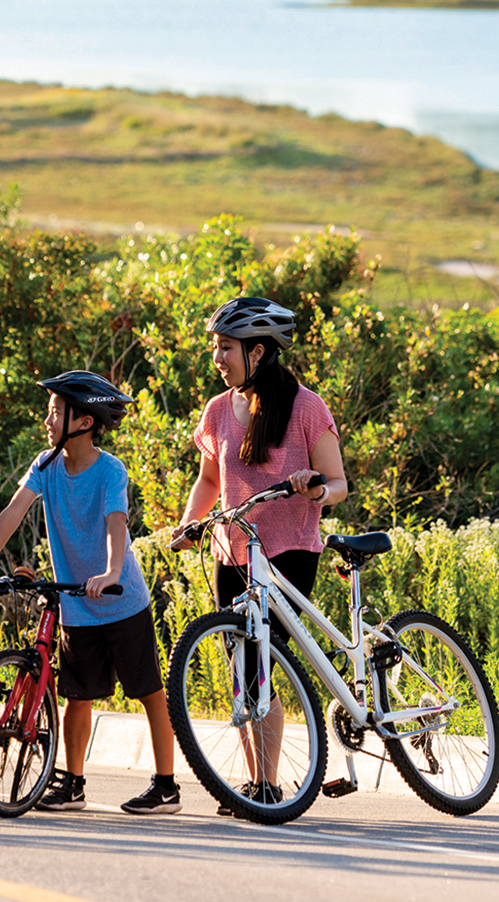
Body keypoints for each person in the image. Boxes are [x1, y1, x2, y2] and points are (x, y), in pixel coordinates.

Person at [0, 371, 181, 815]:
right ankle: (73, 784)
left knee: (148, 692)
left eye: (55, 412)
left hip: (121, 599)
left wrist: (109, 571)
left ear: (84, 421)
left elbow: (115, 523)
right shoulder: (46, 466)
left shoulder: (109, 470)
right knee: (76, 697)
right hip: (77, 603)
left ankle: (166, 786)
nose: (47, 420)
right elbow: (12, 512)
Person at [168, 296, 349, 812]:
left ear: (259, 351)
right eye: (217, 347)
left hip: (289, 551)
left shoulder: (307, 407)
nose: (217, 358)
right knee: (242, 668)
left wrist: (316, 489)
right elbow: (208, 479)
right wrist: (189, 525)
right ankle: (252, 783)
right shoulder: (218, 410)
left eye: (226, 347)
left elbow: (338, 484)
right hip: (233, 553)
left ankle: (267, 785)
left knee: (263, 661)